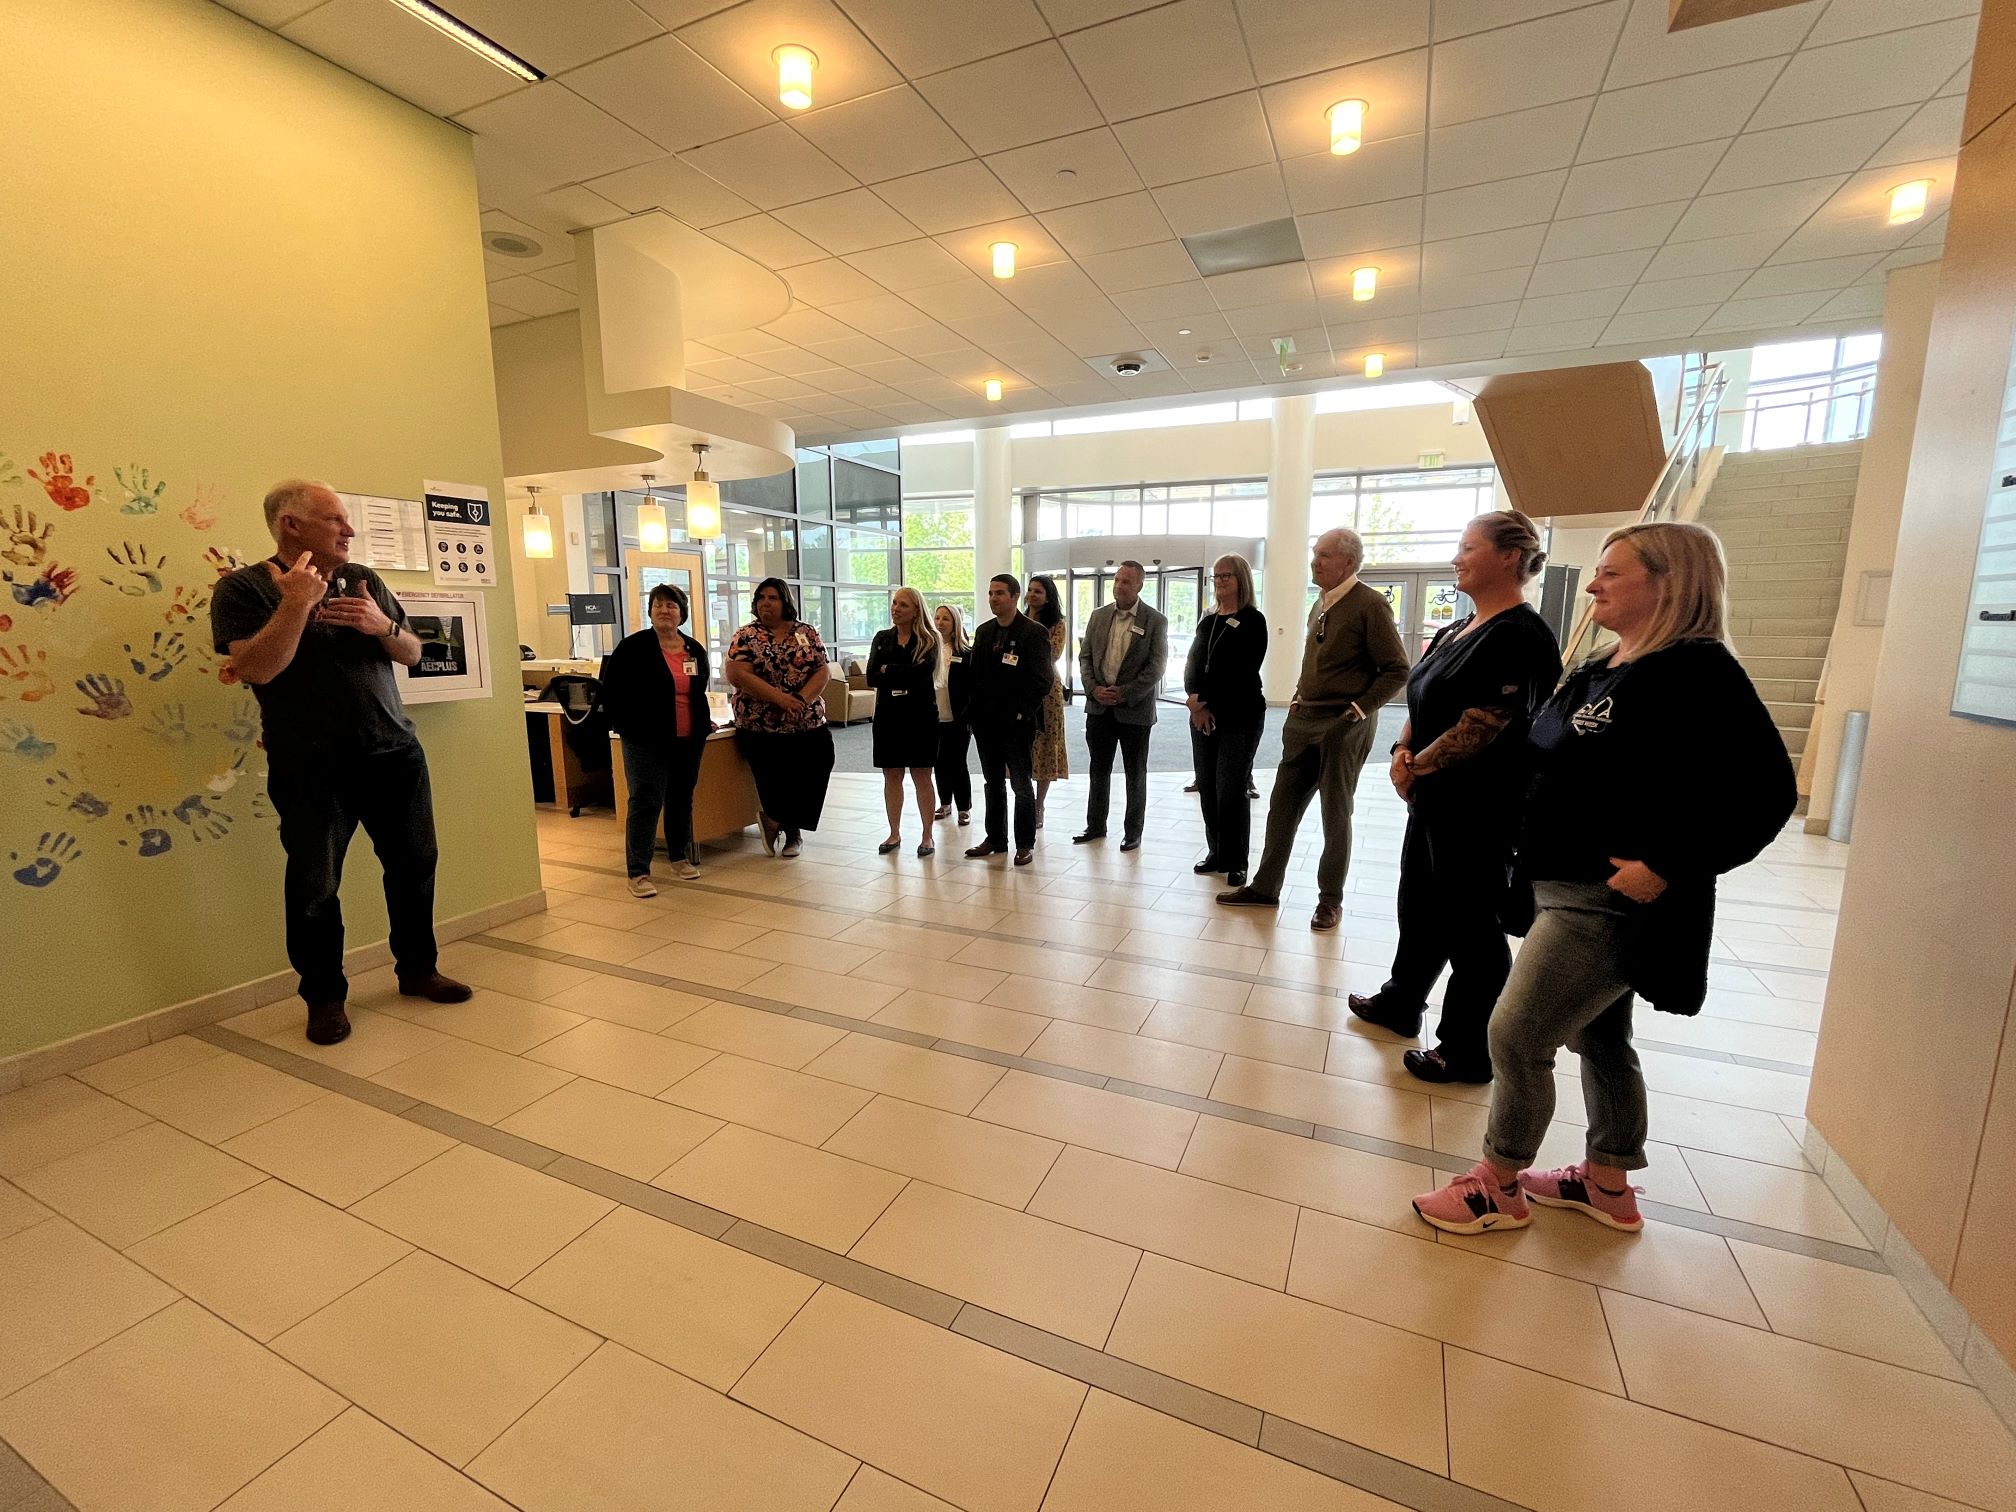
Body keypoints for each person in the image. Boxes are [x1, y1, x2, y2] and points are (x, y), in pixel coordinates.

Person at [1412, 522, 1796, 1236]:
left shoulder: (1697, 672)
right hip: (1558, 884)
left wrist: (1670, 865)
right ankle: (1607, 1182)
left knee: (1516, 1035)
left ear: (1669, 583)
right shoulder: (1603, 663)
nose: (1592, 585)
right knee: (1599, 1038)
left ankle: (1497, 1185)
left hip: (1606, 900)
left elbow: (1767, 793)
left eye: (1612, 573)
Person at [210, 479, 470, 1046]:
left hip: (394, 752)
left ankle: (418, 970)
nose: (349, 530)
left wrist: (383, 626)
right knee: (315, 885)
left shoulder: (362, 578)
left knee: (414, 865)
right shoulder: (243, 589)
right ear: (291, 525)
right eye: (334, 519)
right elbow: (257, 668)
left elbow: (413, 652)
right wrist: (296, 603)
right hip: (311, 766)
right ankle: (325, 999)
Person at [1348, 513, 1562, 1083]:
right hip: (1432, 799)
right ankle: (1403, 998)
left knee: (1471, 924)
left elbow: (1487, 721)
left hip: (1480, 807)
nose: (1456, 558)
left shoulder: (1520, 635)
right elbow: (1421, 697)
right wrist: (1401, 752)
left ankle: (1468, 1049)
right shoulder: (1458, 629)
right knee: (1420, 902)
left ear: (1509, 557)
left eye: (1468, 547)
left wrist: (1416, 766)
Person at [1217, 527, 1410, 931]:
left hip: (1343, 724)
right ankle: (1265, 888)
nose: (1314, 561)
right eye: (1315, 553)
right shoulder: (1320, 602)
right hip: (1304, 720)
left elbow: (1397, 670)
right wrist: (1297, 699)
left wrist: (1356, 711)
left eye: (1324, 555)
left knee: (1335, 814)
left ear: (1349, 562)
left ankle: (1329, 901)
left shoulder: (1370, 605)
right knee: (1281, 807)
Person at [598, 581, 712, 897]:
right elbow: (611, 692)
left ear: (681, 613)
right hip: (645, 739)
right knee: (645, 801)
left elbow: (698, 689)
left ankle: (678, 857)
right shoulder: (633, 648)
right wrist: (625, 727)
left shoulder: (693, 649)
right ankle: (638, 872)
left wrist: (703, 720)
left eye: (671, 605)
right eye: (658, 604)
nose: (664, 610)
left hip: (688, 736)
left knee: (681, 798)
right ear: (650, 611)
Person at [724, 578, 833, 859]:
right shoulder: (746, 635)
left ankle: (773, 820)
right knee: (776, 780)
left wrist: (799, 700)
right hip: (760, 724)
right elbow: (737, 674)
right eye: (761, 598)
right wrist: (780, 699)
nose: (766, 603)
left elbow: (822, 670)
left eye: (772, 598)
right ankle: (791, 832)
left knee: (821, 762)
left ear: (785, 601)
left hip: (806, 720)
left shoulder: (805, 632)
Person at [1184, 554, 1268, 887]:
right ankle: (1217, 852)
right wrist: (1194, 702)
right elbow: (1193, 664)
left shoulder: (1253, 620)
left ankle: (1236, 860)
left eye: (1226, 576)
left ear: (1241, 580)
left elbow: (1242, 671)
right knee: (1207, 786)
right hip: (1203, 716)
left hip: (1240, 715)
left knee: (1230, 788)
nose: (1219, 581)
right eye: (1216, 576)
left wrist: (1203, 701)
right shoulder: (1208, 622)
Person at [1074, 560, 1167, 851]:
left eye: (1126, 581)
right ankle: (1095, 825)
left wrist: (1124, 693)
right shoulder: (1099, 616)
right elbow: (1085, 657)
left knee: (1134, 773)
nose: (1119, 585)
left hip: (1134, 711)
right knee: (1098, 770)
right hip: (1099, 708)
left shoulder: (1155, 620)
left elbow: (1156, 666)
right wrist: (1093, 689)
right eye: (1116, 580)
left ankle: (1133, 831)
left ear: (1139, 585)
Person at [964, 573, 1054, 866]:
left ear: (1015, 597)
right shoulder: (984, 631)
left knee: (1020, 784)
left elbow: (1042, 680)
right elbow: (975, 677)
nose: (993, 598)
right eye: (990, 593)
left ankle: (1025, 843)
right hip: (986, 722)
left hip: (1017, 723)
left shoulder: (1033, 632)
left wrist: (1021, 711)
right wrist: (973, 714)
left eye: (1000, 593)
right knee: (992, 783)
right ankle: (995, 839)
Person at [867, 586, 940, 858]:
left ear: (916, 610)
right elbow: (872, 676)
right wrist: (901, 672)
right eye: (894, 603)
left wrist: (890, 669)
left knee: (922, 776)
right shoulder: (882, 638)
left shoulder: (929, 640)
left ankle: (927, 835)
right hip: (889, 715)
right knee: (892, 775)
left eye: (903, 605)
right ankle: (894, 832)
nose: (895, 608)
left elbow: (922, 675)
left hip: (920, 716)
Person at [1024, 574, 1068, 827]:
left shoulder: (1056, 623)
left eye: (1038, 591)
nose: (1032, 595)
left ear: (1048, 596)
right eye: (1030, 590)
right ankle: (1025, 801)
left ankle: (1039, 805)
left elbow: (1052, 653)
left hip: (1047, 691)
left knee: (1045, 747)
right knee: (1023, 747)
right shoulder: (1017, 619)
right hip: (1020, 689)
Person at [932, 603, 973, 827]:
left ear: (955, 622)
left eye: (945, 619)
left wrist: (968, 716)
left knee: (957, 761)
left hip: (958, 716)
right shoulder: (929, 650)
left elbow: (971, 687)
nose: (940, 623)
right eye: (937, 618)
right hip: (934, 714)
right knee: (939, 761)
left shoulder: (965, 652)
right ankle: (945, 802)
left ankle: (964, 807)